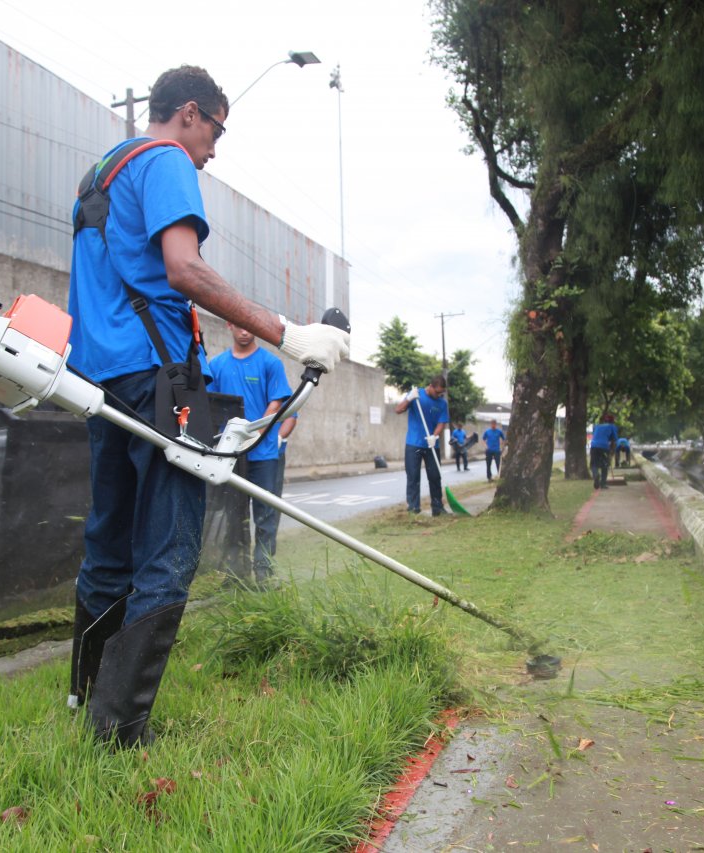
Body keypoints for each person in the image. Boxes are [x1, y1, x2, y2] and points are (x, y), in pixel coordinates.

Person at [65, 65, 349, 749]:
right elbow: (184, 271)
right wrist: (289, 332)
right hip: (161, 380)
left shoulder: (100, 171)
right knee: (169, 547)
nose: (215, 148)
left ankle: (84, 703)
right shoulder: (165, 160)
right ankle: (120, 730)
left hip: (97, 379)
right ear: (189, 113)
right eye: (217, 130)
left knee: (108, 546)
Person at [208, 323, 293, 586]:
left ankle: (264, 574)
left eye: (249, 327)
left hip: (263, 453)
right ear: (229, 326)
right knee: (234, 515)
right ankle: (236, 573)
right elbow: (211, 407)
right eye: (239, 326)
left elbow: (277, 403)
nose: (244, 332)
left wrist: (261, 434)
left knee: (266, 515)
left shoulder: (270, 363)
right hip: (232, 455)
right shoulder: (217, 365)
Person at [394, 376, 449, 515]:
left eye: (441, 393)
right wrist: (409, 398)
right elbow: (398, 410)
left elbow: (441, 423)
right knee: (413, 477)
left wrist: (435, 436)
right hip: (413, 444)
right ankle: (413, 508)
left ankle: (437, 508)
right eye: (437, 392)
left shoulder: (442, 403)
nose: (438, 395)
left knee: (435, 477)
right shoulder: (416, 394)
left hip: (431, 445)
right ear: (430, 386)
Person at [589, 413, 618, 489]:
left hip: (594, 446)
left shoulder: (597, 426)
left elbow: (596, 435)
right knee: (605, 465)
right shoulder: (612, 427)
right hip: (604, 447)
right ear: (612, 421)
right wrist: (612, 451)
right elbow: (614, 440)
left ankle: (595, 475)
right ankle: (603, 484)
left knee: (593, 464)